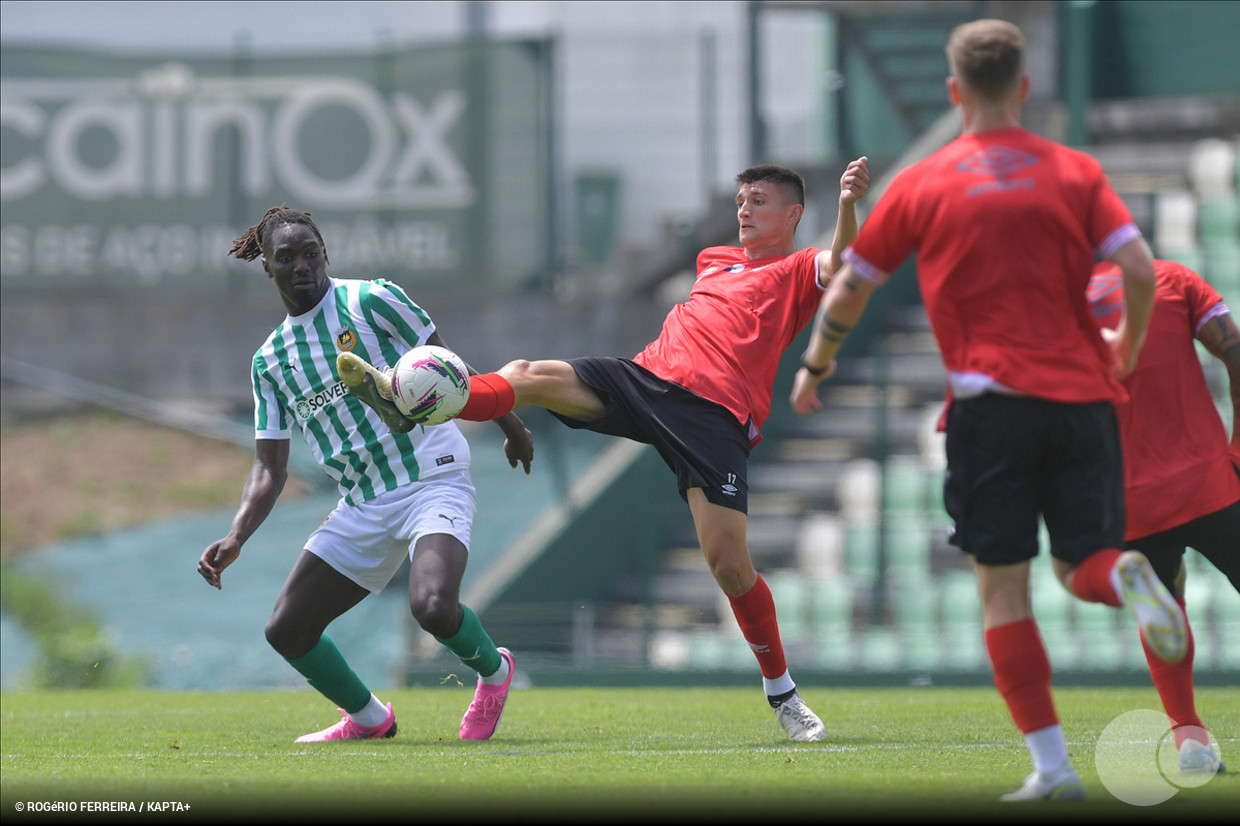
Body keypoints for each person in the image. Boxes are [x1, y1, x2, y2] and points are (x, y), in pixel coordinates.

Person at [789, 19, 1188, 801]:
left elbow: (849, 287)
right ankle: (1128, 575)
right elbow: (1139, 269)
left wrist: (817, 362)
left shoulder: (924, 181)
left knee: (1004, 590)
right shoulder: (1074, 171)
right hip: (1083, 403)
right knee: (1082, 569)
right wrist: (1129, 347)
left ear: (953, 91)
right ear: (1024, 87)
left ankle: (1052, 769)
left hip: (990, 409)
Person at [341, 156, 870, 742]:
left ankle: (783, 694)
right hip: (644, 381)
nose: (744, 209)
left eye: (760, 202)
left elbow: (842, 260)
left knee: (729, 565)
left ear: (794, 214)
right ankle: (416, 400)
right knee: (528, 372)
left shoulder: (799, 269)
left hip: (713, 419)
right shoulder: (712, 261)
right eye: (742, 200)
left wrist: (847, 205)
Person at [197, 205, 534, 743]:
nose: (302, 265)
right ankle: (371, 719)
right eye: (287, 258)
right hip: (363, 501)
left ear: (324, 253)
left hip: (433, 475)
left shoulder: (371, 299)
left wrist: (510, 423)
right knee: (287, 630)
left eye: (311, 253)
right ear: (269, 268)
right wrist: (236, 535)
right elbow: (270, 466)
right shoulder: (271, 360)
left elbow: (447, 365)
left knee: (431, 607)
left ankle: (495, 673)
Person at [1088, 256, 1239, 774]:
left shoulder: (1055, 307)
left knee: (1163, 603)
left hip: (1127, 500)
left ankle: (1188, 738)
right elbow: (1234, 348)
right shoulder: (1171, 279)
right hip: (1211, 484)